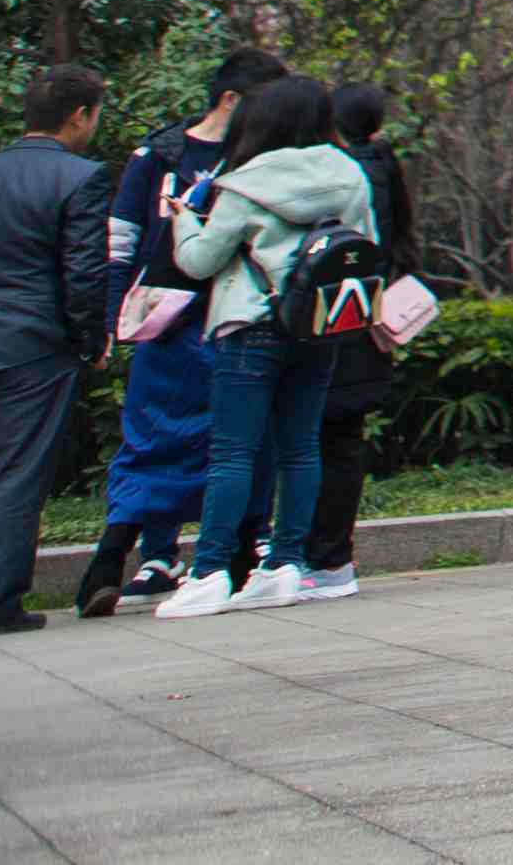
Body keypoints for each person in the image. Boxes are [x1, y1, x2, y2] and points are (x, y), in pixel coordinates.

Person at [156, 71, 374, 617]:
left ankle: (207, 573)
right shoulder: (350, 176)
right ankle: (284, 565)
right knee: (300, 448)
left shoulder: (246, 182)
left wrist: (183, 223)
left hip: (251, 327)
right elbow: (368, 247)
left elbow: (200, 261)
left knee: (233, 451)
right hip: (318, 327)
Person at [66, 45, 270, 616]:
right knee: (169, 438)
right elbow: (120, 240)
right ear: (231, 98)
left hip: (228, 323)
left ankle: (176, 556)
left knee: (215, 442)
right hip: (172, 325)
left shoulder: (256, 157)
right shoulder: (158, 154)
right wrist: (108, 318)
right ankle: (132, 557)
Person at [0, 62, 107, 637]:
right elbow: (83, 274)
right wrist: (93, 341)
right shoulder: (81, 178)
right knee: (16, 472)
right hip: (34, 344)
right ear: (80, 116)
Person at [293, 81, 421, 597]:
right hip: (367, 324)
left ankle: (317, 557)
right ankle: (331, 558)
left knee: (322, 439)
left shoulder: (346, 176)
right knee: (343, 441)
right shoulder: (386, 167)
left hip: (337, 323)